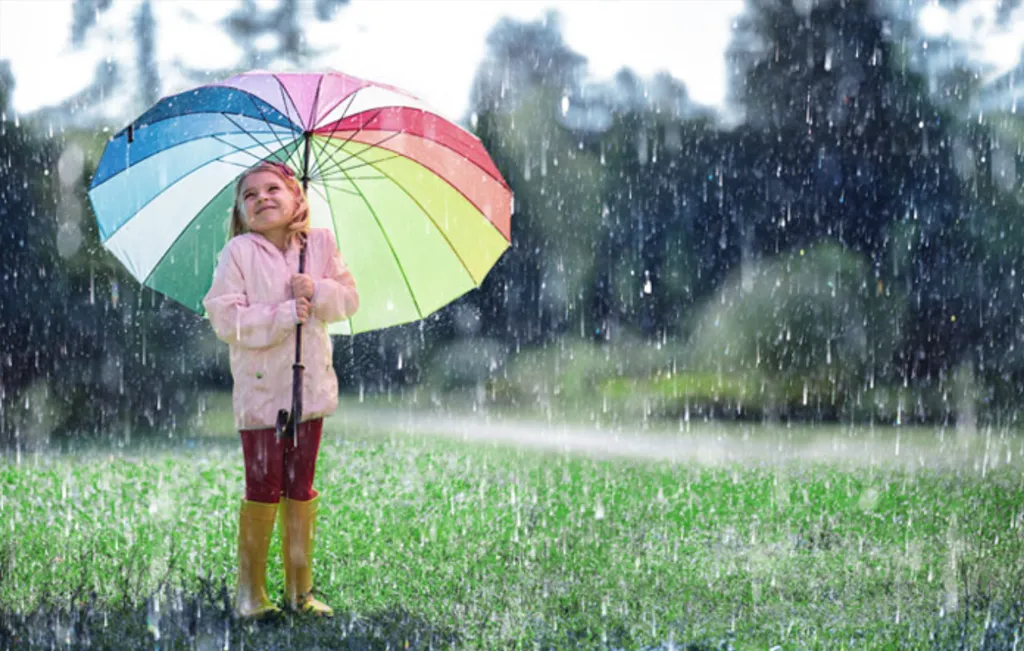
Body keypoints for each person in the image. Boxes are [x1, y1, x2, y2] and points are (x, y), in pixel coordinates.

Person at [203, 161, 359, 620]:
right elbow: (225, 318)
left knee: (300, 484)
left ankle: (299, 591)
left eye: (273, 189)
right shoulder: (238, 253)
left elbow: (348, 301)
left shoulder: (320, 245)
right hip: (261, 395)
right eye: (250, 195)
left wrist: (318, 289)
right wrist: (279, 315)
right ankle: (251, 594)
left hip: (308, 390)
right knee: (263, 484)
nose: (262, 198)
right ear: (241, 210)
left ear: (297, 198)